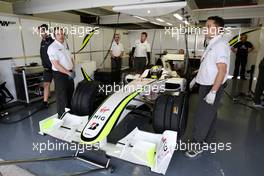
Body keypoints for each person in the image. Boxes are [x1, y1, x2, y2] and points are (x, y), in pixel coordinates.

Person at [186, 16, 230, 158]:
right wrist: (196, 79)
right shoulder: (212, 43)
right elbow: (208, 65)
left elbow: (222, 70)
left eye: (209, 26)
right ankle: (208, 140)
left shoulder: (221, 45)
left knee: (202, 116)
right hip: (205, 84)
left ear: (218, 29)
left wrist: (213, 92)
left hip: (212, 86)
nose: (206, 28)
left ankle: (196, 145)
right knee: (210, 114)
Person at [47, 27, 75, 117]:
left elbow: (71, 58)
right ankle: (62, 116)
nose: (61, 36)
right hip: (60, 75)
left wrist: (73, 69)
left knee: (70, 94)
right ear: (54, 35)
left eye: (62, 33)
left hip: (69, 73)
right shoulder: (52, 47)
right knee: (62, 97)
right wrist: (68, 72)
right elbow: (56, 64)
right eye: (58, 34)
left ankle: (70, 114)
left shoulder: (65, 45)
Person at [38, 24, 54, 108]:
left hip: (55, 68)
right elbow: (43, 55)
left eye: (42, 31)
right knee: (46, 84)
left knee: (59, 86)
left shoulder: (52, 40)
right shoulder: (42, 42)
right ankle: (45, 102)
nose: (41, 33)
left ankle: (64, 100)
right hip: (47, 68)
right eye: (40, 31)